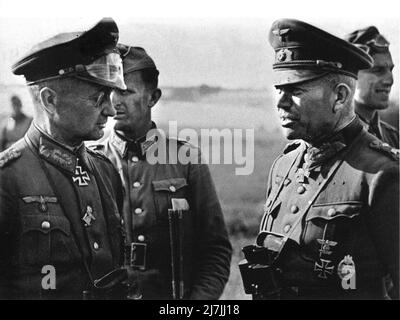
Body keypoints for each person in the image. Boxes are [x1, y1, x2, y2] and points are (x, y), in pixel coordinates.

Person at [241, 19, 399, 300]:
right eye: (279, 89)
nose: (281, 102)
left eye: (296, 90)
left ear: (339, 97)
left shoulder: (380, 175)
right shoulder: (284, 166)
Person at [0, 18, 127, 299]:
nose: (111, 110)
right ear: (49, 101)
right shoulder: (7, 179)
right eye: (98, 97)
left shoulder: (104, 171)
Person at [92, 45, 232, 299]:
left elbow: (215, 250)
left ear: (153, 98)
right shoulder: (91, 161)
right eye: (110, 90)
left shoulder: (185, 160)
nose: (115, 101)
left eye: (125, 91)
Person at [345, 26, 398, 148]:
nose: (390, 80)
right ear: (350, 75)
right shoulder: (335, 138)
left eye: (390, 70)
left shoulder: (394, 137)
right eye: (378, 70)